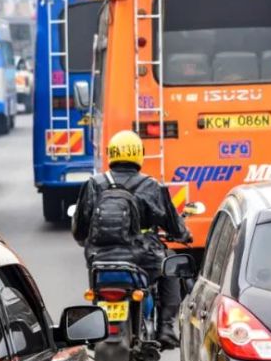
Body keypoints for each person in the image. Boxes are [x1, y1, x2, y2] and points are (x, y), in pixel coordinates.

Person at [71, 130, 190, 348]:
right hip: (143, 257)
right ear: (139, 154)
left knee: (96, 283)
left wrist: (87, 241)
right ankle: (165, 327)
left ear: (111, 154)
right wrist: (183, 235)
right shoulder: (151, 186)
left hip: (100, 258)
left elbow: (79, 229)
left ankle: (99, 322)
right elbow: (173, 224)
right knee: (171, 264)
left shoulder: (94, 184)